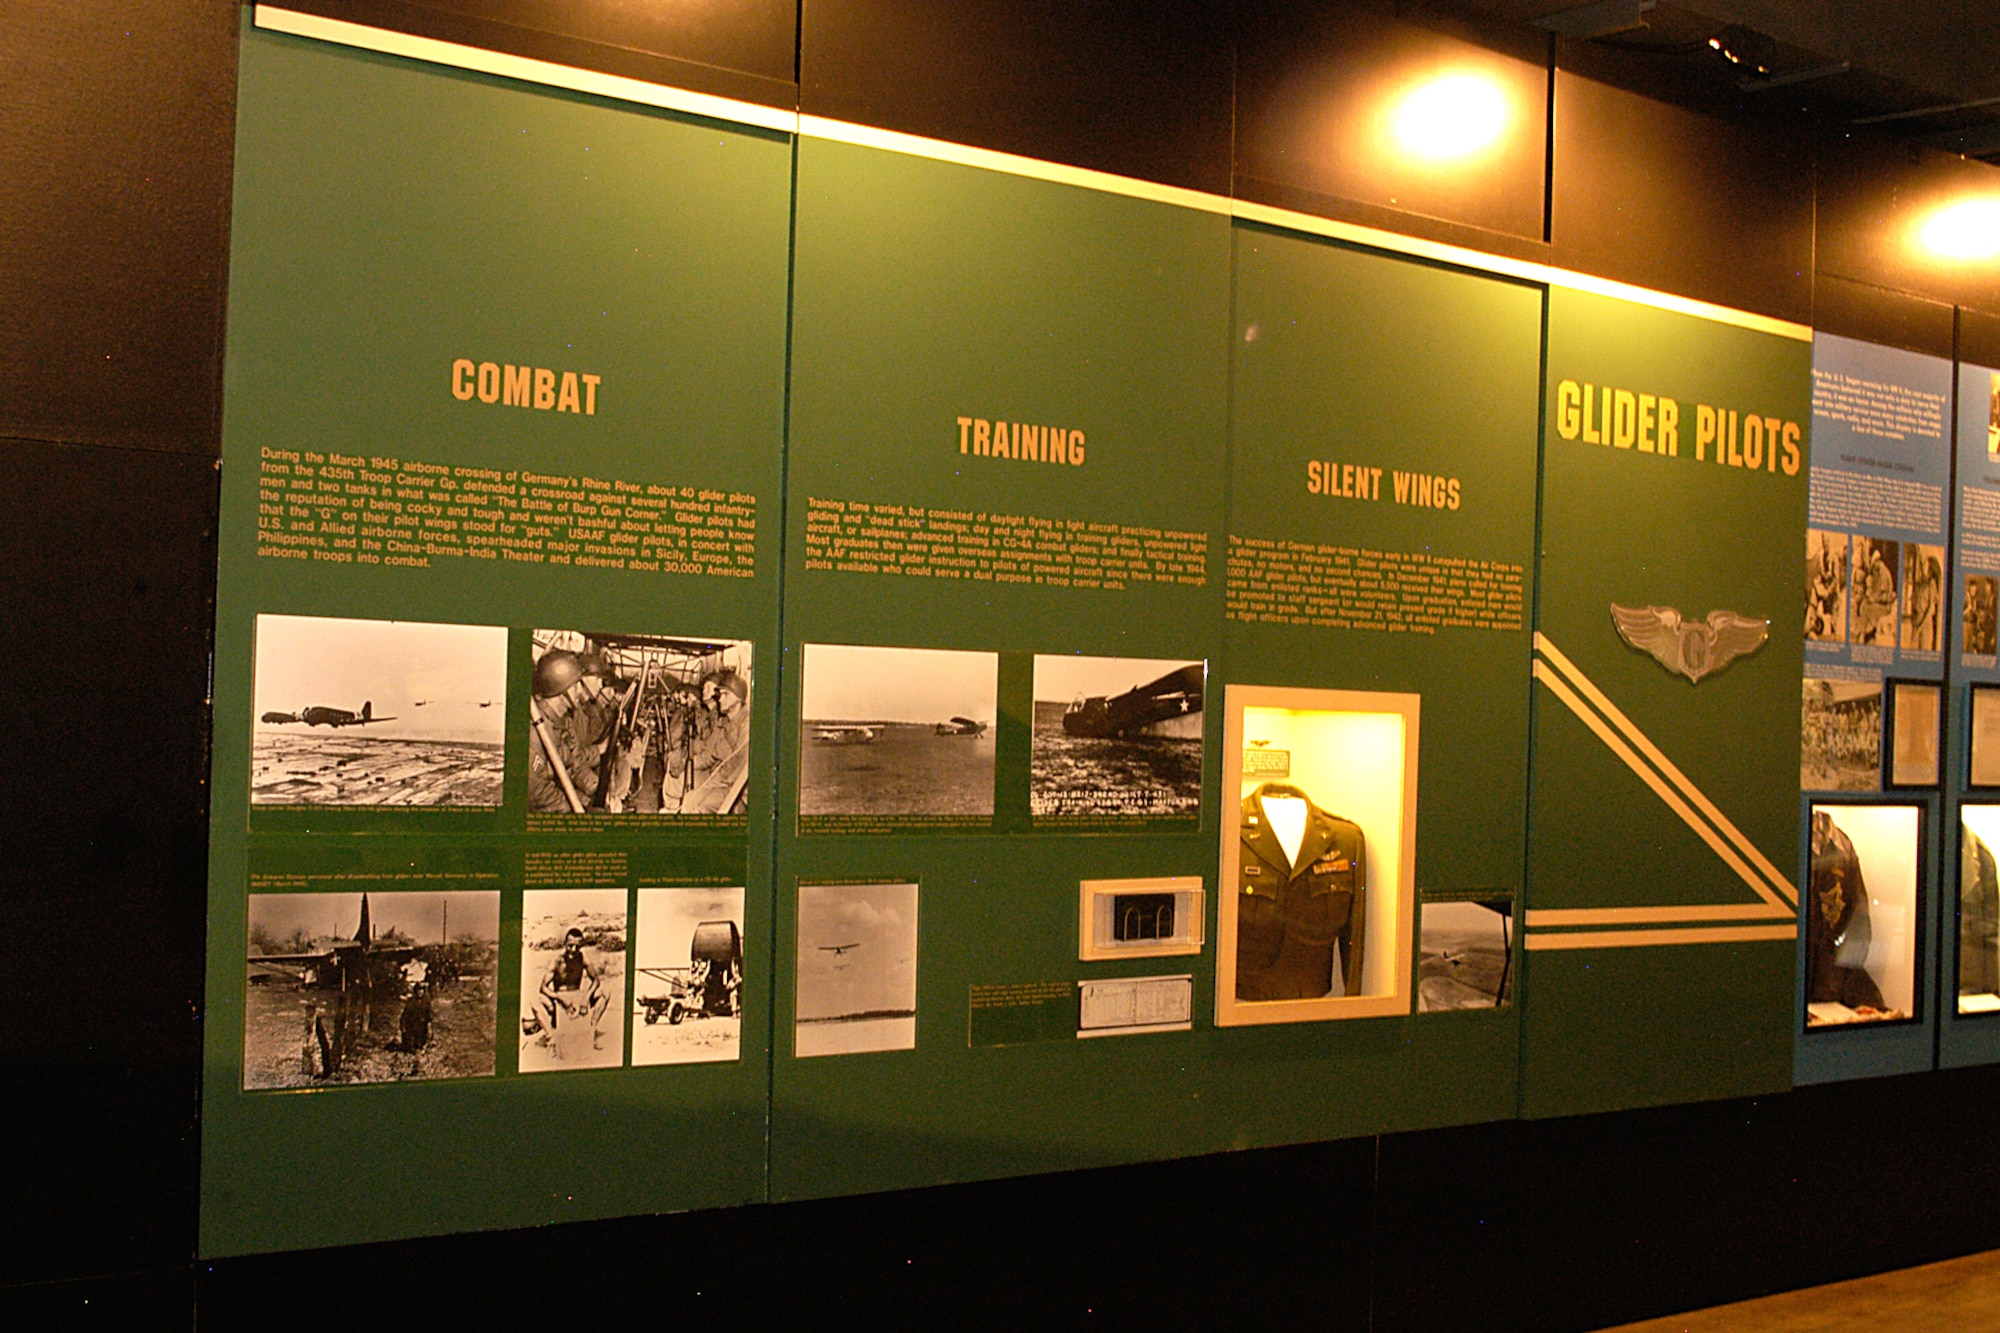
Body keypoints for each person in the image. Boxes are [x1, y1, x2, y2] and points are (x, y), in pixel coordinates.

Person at [528, 649, 605, 813]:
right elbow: (538, 793)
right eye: (576, 685)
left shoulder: (564, 721)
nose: (579, 691)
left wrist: (595, 785)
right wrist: (574, 811)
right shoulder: (536, 732)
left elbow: (573, 763)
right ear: (561, 690)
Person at [534, 928, 607, 1050]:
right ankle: (551, 1037)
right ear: (565, 944)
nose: (573, 950)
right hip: (559, 999)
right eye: (570, 946)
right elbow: (543, 987)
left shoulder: (583, 958)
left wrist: (586, 997)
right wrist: (559, 997)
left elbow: (596, 980)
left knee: (606, 992)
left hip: (578, 997)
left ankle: (591, 1030)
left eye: (577, 947)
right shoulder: (556, 961)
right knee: (535, 1001)